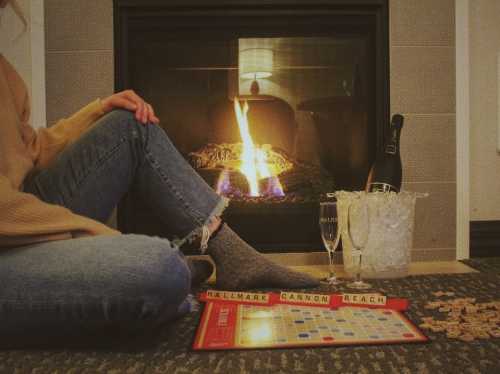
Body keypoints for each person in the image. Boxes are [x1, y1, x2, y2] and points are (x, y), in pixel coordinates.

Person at [0, 0, 318, 345]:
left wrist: (99, 110)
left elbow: (26, 151)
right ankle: (167, 273)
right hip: (10, 240)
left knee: (131, 125)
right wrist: (95, 235)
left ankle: (230, 254)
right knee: (157, 267)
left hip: (23, 215)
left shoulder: (4, 72)